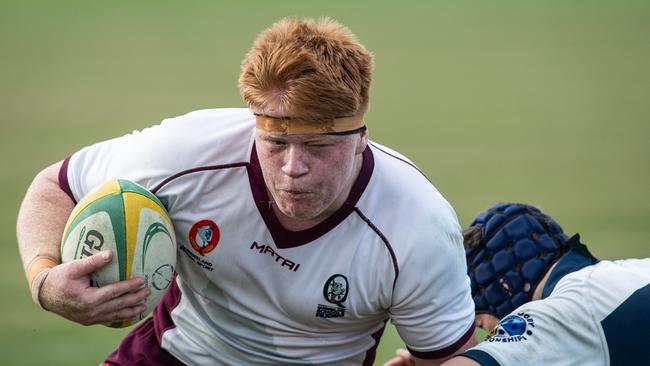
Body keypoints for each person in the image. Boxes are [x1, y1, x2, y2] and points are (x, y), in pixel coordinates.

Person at [17, 17, 477, 365]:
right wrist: (43, 281)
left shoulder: (417, 224)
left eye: (317, 146)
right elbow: (54, 186)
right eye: (276, 143)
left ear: (359, 139)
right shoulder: (190, 151)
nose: (293, 168)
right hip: (176, 355)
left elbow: (445, 358)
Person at [386, 203, 650, 366]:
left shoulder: (564, 311)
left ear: (504, 287)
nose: (486, 333)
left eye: (480, 322)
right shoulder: (625, 274)